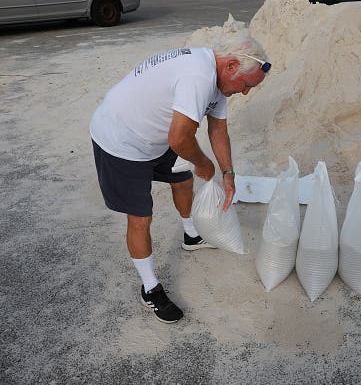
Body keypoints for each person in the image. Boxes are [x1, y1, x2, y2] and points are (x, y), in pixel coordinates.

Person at [90, 34, 271, 323]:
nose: (246, 92)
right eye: (247, 85)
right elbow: (179, 138)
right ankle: (150, 288)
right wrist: (204, 164)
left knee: (182, 178)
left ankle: (191, 234)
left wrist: (227, 174)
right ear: (231, 65)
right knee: (141, 217)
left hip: (158, 135)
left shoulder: (220, 80)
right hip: (122, 139)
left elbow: (218, 130)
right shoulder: (198, 76)